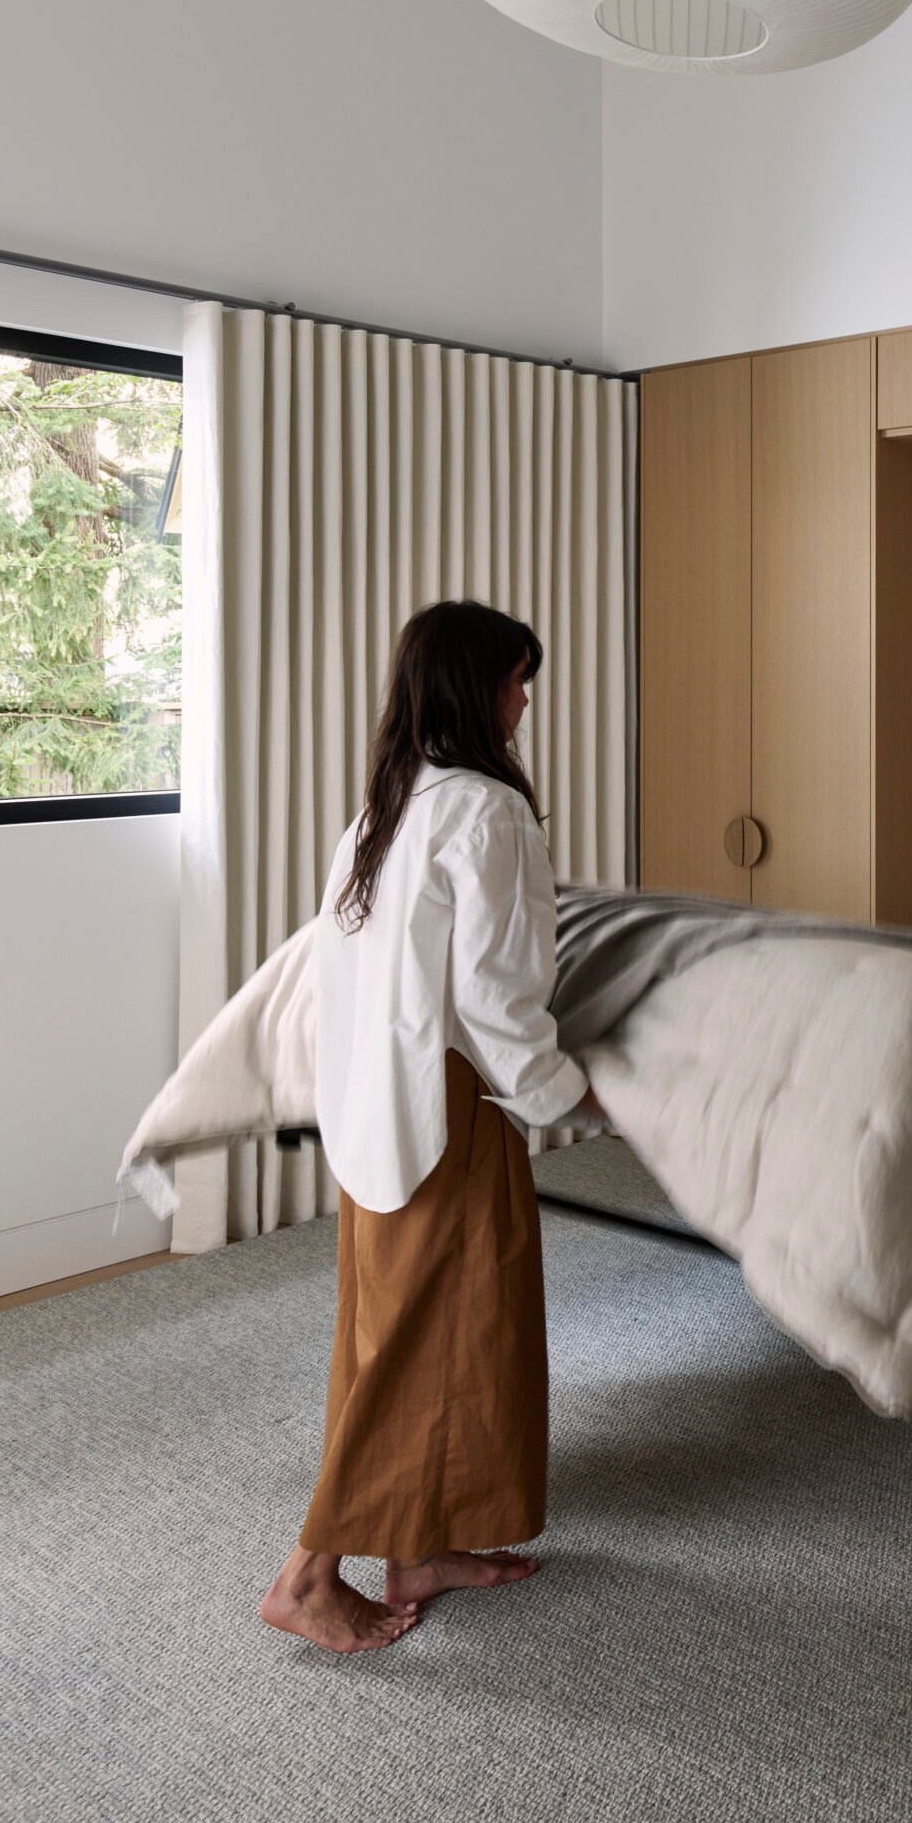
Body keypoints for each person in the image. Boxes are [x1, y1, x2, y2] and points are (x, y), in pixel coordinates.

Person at [260, 599, 592, 1654]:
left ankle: (419, 1548)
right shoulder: (487, 813)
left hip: (375, 1102)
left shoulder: (385, 808)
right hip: (443, 1105)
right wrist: (562, 1091)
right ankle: (307, 1576)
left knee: (426, 1327)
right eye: (514, 678)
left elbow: (344, 976)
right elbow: (497, 997)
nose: (525, 697)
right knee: (420, 1339)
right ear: (472, 689)